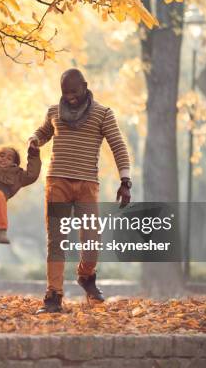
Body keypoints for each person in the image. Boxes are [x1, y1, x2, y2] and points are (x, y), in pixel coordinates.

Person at [29, 68, 132, 314]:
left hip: (87, 184)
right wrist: (33, 140)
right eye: (65, 92)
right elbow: (43, 132)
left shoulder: (103, 113)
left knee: (92, 239)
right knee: (57, 241)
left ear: (85, 86)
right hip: (57, 182)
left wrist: (125, 181)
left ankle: (86, 276)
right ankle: (53, 296)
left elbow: (118, 145)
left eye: (74, 91)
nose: (70, 97)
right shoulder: (54, 111)